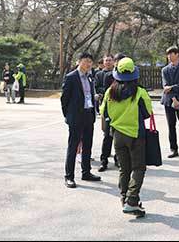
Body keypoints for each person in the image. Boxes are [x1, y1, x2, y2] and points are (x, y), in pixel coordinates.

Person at [99, 57, 153, 218]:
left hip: (117, 135)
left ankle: (124, 198)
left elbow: (103, 112)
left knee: (124, 168)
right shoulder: (140, 92)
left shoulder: (110, 91)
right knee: (138, 168)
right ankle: (132, 200)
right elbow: (147, 113)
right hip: (135, 135)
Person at [61, 52, 101, 188]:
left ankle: (86, 172)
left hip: (88, 115)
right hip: (76, 117)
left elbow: (89, 95)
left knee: (88, 146)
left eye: (90, 61)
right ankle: (69, 177)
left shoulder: (90, 77)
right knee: (73, 147)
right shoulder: (71, 77)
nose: (88, 64)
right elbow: (64, 99)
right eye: (85, 61)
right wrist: (68, 116)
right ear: (79, 61)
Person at [95, 53, 120, 172]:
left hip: (118, 108)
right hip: (105, 107)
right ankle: (104, 160)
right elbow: (97, 87)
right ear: (103, 62)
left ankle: (118, 159)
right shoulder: (99, 74)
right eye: (106, 60)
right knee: (107, 135)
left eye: (110, 60)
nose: (108, 62)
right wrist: (107, 91)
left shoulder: (118, 73)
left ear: (114, 61)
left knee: (118, 135)